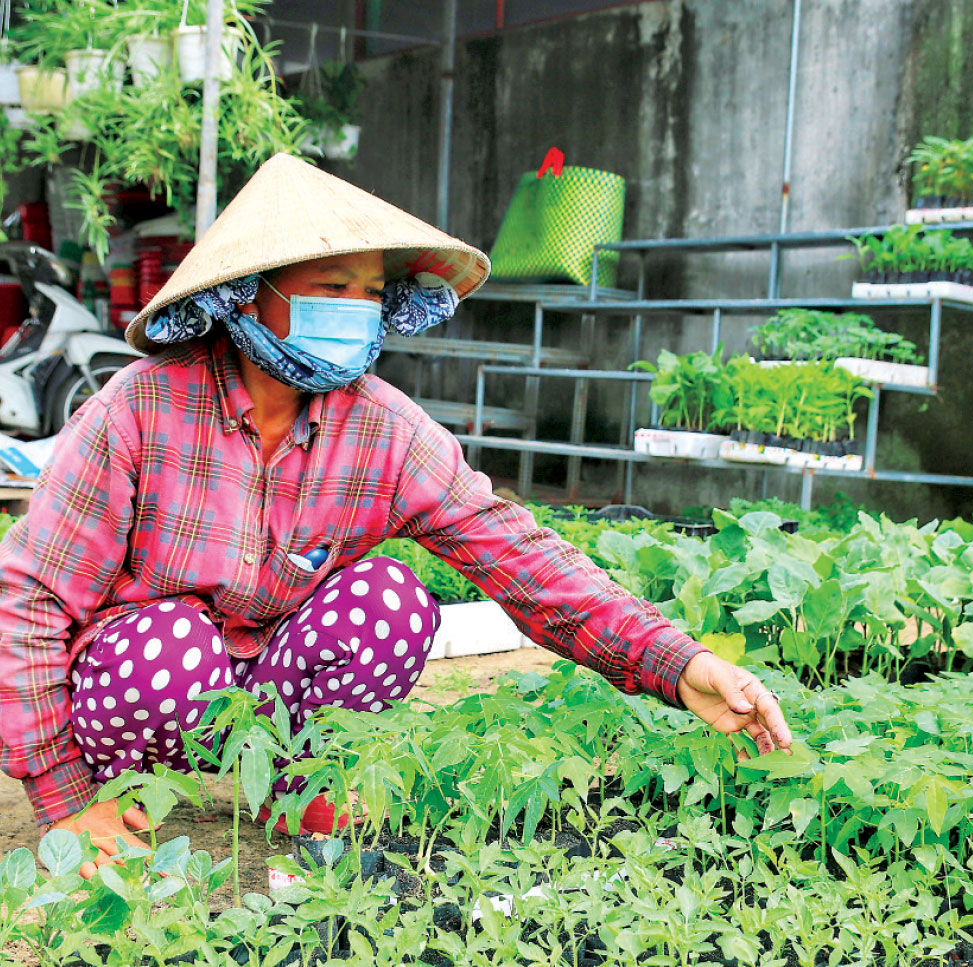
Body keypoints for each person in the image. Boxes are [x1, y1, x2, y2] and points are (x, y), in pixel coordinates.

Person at [0, 154, 790, 880]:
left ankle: (300, 785)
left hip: (269, 686)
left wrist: (675, 661)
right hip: (144, 688)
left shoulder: (382, 427)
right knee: (166, 642)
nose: (356, 311)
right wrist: (66, 799)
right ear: (248, 293)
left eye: (372, 294)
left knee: (389, 600)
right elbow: (30, 597)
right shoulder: (140, 408)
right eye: (330, 287)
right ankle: (120, 799)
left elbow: (519, 557)